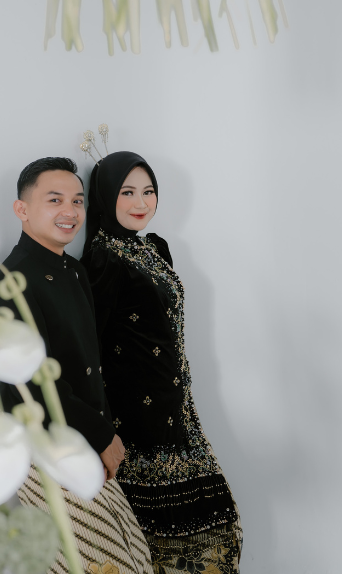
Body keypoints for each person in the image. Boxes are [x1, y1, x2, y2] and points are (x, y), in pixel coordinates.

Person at [0, 156, 154, 574]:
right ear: (22, 209)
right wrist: (101, 433)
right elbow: (30, 385)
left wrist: (103, 433)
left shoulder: (74, 271)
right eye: (55, 199)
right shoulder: (9, 282)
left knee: (136, 558)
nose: (70, 211)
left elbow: (90, 366)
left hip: (90, 444)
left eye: (77, 201)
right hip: (49, 451)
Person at [80, 151, 243, 574]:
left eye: (148, 191)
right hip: (138, 423)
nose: (141, 202)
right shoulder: (104, 257)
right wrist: (101, 427)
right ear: (106, 196)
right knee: (162, 541)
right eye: (127, 192)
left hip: (178, 410)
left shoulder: (155, 248)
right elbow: (90, 347)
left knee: (218, 527)